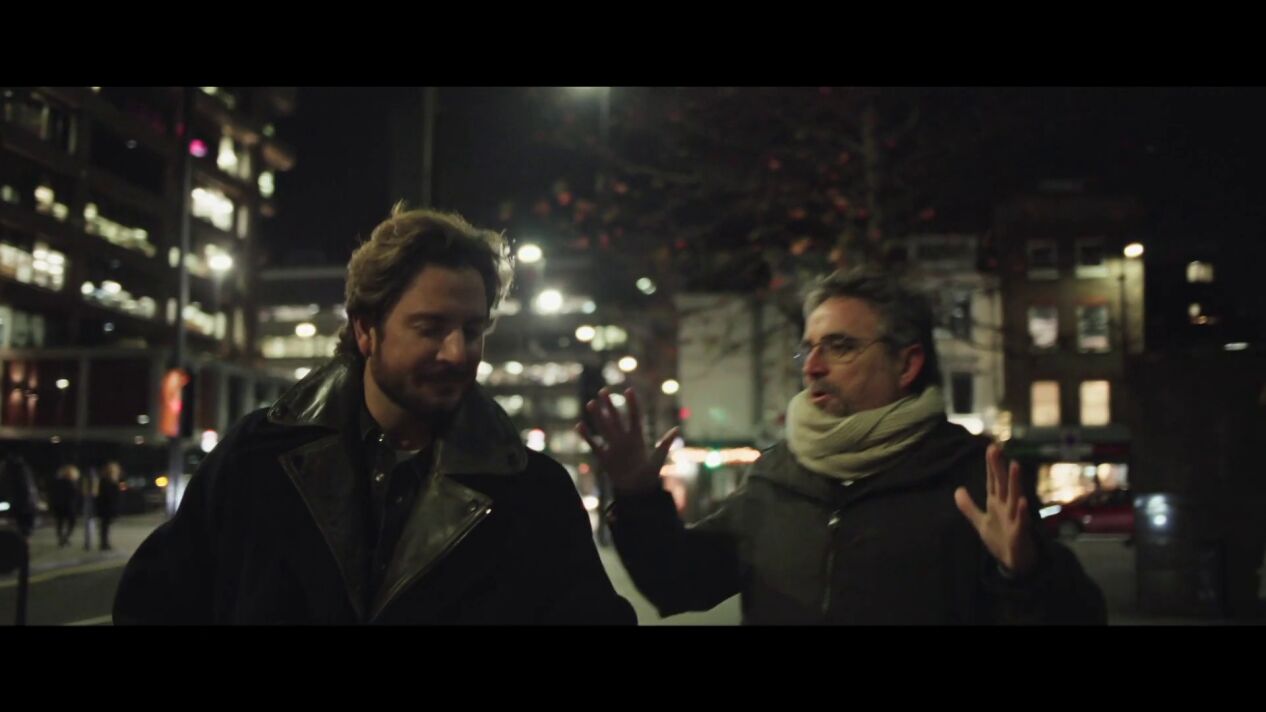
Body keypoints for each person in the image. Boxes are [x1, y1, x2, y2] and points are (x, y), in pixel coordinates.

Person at [114, 203, 635, 625]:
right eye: (430, 328)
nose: (457, 353)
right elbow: (153, 604)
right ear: (365, 330)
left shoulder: (531, 491)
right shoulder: (257, 458)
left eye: (472, 330)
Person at [581, 268, 1107, 624]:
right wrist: (637, 498)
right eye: (809, 349)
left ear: (907, 363)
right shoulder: (777, 475)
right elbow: (679, 583)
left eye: (840, 347)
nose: (813, 367)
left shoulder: (972, 477)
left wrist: (1028, 575)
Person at [0, 452, 39, 538]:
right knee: (24, 528)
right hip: (24, 504)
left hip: (22, 504)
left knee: (22, 527)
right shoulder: (22, 470)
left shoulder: (15, 471)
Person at [50, 464, 81, 547]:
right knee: (71, 522)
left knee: (60, 523)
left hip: (59, 505)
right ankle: (65, 538)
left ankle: (62, 539)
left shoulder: (58, 482)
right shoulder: (71, 483)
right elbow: (75, 495)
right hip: (68, 506)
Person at [95, 462, 122, 551]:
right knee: (105, 526)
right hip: (106, 507)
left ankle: (105, 543)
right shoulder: (106, 481)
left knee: (106, 526)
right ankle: (104, 543)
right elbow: (108, 495)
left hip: (108, 506)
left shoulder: (110, 481)